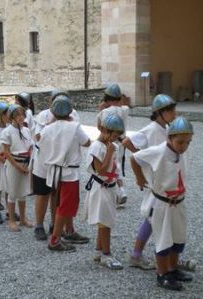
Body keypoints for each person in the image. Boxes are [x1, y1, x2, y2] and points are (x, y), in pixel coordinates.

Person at [131, 117, 194, 291]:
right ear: (169, 138)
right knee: (164, 240)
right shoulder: (158, 151)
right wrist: (140, 178)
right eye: (180, 142)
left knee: (178, 239)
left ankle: (172, 269)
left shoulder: (181, 152)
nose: (184, 146)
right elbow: (135, 158)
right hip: (162, 205)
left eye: (187, 143)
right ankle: (162, 274)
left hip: (178, 203)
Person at [122, 94, 177, 270]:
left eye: (173, 109)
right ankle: (136, 255)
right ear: (159, 113)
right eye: (169, 110)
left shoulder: (168, 128)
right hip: (154, 182)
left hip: (165, 181)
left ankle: (166, 256)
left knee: (159, 218)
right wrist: (142, 162)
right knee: (152, 217)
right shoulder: (152, 129)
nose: (173, 113)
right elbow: (126, 141)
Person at [37, 95, 91, 251]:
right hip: (69, 173)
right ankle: (55, 240)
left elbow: (41, 143)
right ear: (69, 112)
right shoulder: (74, 126)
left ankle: (68, 230)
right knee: (65, 206)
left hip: (53, 171)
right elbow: (86, 142)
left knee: (61, 203)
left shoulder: (47, 128)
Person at [32, 90, 80, 241]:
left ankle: (55, 225)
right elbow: (38, 137)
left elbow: (75, 134)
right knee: (43, 194)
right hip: (43, 162)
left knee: (56, 195)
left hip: (60, 164)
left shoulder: (74, 115)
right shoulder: (43, 115)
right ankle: (39, 226)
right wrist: (53, 124)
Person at [83, 114, 125, 269]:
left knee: (105, 219)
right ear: (105, 131)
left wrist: (120, 187)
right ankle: (106, 255)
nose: (114, 139)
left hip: (109, 187)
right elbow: (100, 169)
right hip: (100, 188)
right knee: (105, 222)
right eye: (113, 135)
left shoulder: (111, 145)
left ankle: (98, 251)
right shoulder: (96, 147)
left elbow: (115, 168)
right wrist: (108, 152)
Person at [0, 104, 33, 231]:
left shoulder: (26, 130)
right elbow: (6, 152)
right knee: (13, 192)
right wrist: (17, 166)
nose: (20, 117)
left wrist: (29, 159)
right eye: (17, 115)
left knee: (23, 192)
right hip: (14, 164)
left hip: (25, 162)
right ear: (12, 116)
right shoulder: (7, 132)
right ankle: (12, 220)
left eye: (22, 115)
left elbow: (30, 145)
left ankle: (23, 219)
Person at [97, 83, 130, 207]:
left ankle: (117, 191)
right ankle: (120, 190)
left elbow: (100, 127)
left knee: (110, 165)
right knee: (118, 164)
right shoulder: (125, 110)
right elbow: (123, 106)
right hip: (121, 142)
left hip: (109, 142)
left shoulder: (105, 112)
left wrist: (101, 110)